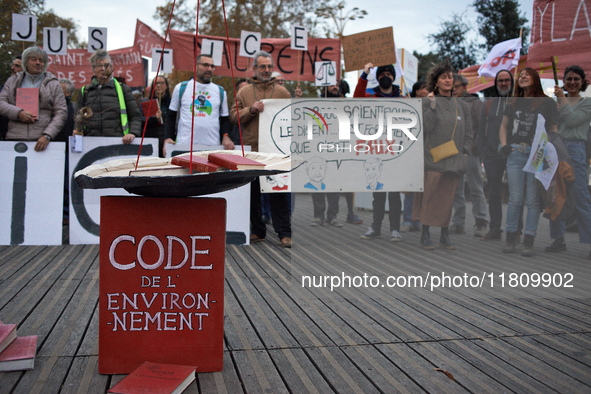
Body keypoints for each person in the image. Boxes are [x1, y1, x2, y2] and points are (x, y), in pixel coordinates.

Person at [229, 51, 293, 248]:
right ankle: (257, 230)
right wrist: (251, 110)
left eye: (269, 67)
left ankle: (284, 232)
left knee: (279, 192)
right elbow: (233, 117)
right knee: (254, 193)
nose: (266, 70)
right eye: (262, 67)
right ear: (254, 69)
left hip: (276, 151)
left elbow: (292, 118)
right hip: (252, 149)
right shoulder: (244, 92)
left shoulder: (283, 93)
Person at [412, 61, 472, 250]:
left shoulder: (462, 106)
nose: (448, 80)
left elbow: (469, 133)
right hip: (433, 159)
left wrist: (465, 152)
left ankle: (444, 235)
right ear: (436, 82)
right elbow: (423, 129)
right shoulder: (426, 102)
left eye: (450, 77)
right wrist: (431, 107)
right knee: (429, 197)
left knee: (448, 198)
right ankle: (425, 234)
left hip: (454, 160)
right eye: (444, 77)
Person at [499, 67, 558, 256]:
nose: (522, 76)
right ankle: (510, 238)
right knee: (515, 198)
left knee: (533, 200)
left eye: (527, 74)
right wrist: (505, 145)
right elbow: (503, 126)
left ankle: (529, 241)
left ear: (535, 79)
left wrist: (549, 145)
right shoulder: (514, 102)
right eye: (520, 75)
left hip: (537, 154)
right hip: (516, 152)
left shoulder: (547, 103)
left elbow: (553, 128)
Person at [546, 66, 591, 257]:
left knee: (581, 195)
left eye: (576, 79)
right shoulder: (557, 102)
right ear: (563, 81)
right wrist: (553, 109)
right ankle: (558, 239)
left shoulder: (587, 103)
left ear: (582, 83)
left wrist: (562, 102)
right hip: (556, 147)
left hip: (575, 149)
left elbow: (573, 121)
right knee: (555, 194)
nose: (572, 83)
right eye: (569, 79)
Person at [354, 62, 403, 242]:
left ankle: (395, 229)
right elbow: (357, 98)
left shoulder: (402, 98)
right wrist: (365, 74)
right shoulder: (370, 95)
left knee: (395, 195)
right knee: (378, 194)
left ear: (393, 77)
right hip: (377, 151)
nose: (386, 77)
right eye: (383, 74)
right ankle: (376, 227)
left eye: (389, 74)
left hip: (396, 152)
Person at [0, 47, 67, 151]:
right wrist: (18, 113)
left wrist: (47, 135)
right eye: (34, 59)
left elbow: (61, 112)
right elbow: (1, 103)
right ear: (26, 62)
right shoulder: (12, 81)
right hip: (14, 138)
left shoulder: (53, 84)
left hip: (43, 141)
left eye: (41, 60)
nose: (38, 62)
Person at [165, 54, 232, 152]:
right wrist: (167, 138)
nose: (209, 69)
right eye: (205, 65)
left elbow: (225, 119)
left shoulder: (220, 91)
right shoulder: (181, 88)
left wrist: (226, 136)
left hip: (212, 147)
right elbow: (171, 116)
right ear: (195, 67)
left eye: (212, 66)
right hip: (184, 146)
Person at [449, 74, 488, 237]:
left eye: (457, 86)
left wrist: (477, 148)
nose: (454, 90)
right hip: (453, 150)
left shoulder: (475, 103)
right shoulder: (449, 103)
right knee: (456, 188)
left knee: (475, 186)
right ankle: (458, 222)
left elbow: (481, 127)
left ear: (465, 87)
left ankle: (481, 221)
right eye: (452, 87)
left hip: (471, 150)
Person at [478, 69, 514, 241]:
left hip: (513, 154)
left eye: (507, 80)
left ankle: (516, 231)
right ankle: (494, 228)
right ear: (496, 83)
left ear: (512, 82)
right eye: (500, 80)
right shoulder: (489, 104)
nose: (504, 83)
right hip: (492, 154)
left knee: (516, 194)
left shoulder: (517, 102)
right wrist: (482, 152)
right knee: (493, 193)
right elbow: (481, 130)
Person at [76, 49, 141, 144]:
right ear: (93, 69)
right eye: (99, 65)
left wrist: (132, 132)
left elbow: (135, 116)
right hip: (90, 144)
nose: (103, 69)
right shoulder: (85, 91)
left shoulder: (123, 89)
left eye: (106, 65)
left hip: (118, 143)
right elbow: (78, 118)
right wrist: (78, 130)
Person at [401, 81, 429, 232]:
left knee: (422, 189)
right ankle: (407, 220)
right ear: (417, 91)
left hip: (425, 152)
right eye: (425, 88)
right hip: (411, 151)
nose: (428, 91)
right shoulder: (408, 106)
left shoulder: (431, 105)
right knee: (410, 188)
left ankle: (418, 220)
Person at [143, 76, 171, 157]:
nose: (159, 85)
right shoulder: (146, 103)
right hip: (151, 142)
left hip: (166, 142)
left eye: (162, 83)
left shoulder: (172, 103)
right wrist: (154, 118)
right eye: (156, 83)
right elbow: (142, 121)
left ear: (166, 86)